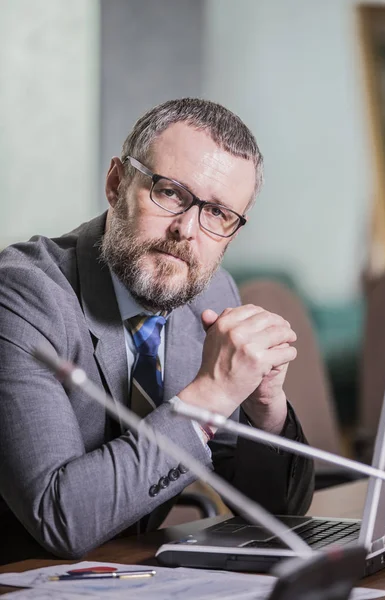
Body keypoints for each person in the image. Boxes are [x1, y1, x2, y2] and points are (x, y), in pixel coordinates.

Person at [0, 98, 314, 564]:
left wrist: (262, 407)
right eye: (169, 192)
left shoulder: (212, 294)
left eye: (219, 214)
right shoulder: (23, 294)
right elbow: (59, 517)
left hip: (131, 576)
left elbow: (276, 512)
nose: (187, 230)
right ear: (115, 184)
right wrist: (207, 399)